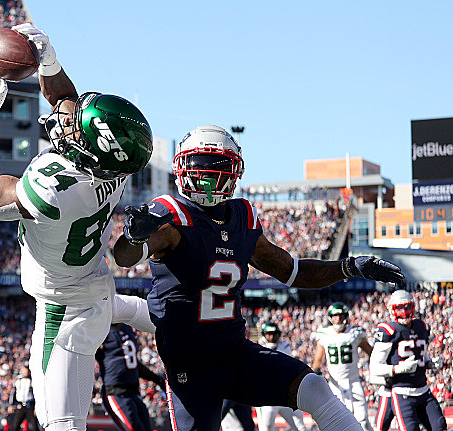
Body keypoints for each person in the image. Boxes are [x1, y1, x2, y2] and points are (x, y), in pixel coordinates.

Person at [113, 125, 406, 431]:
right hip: (190, 367)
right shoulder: (171, 214)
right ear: (183, 167)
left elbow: (293, 271)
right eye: (202, 164)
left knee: (315, 388)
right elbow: (124, 256)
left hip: (235, 353)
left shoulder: (244, 216)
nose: (210, 174)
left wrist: (348, 267)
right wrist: (133, 237)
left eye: (219, 165)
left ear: (234, 170)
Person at [0, 23, 154, 431]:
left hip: (65, 310)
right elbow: (66, 101)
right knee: (171, 316)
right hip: (99, 290)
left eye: (80, 129)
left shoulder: (54, 187)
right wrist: (50, 61)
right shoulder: (120, 167)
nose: (70, 122)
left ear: (92, 151)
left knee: (60, 424)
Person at [369, 290, 446, 431]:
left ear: (413, 307)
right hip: (400, 390)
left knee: (440, 426)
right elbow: (374, 368)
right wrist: (398, 369)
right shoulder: (388, 330)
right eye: (399, 308)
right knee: (383, 427)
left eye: (407, 307)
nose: (404, 311)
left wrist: (430, 362)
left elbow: (420, 355)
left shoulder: (422, 327)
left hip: (423, 389)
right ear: (392, 309)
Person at [311, 302, 373, 431]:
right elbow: (318, 359)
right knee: (337, 421)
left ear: (346, 316)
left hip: (354, 380)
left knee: (363, 420)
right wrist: (314, 373)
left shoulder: (355, 332)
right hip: (335, 383)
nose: (338, 318)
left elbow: (371, 352)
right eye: (335, 315)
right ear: (330, 317)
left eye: (341, 315)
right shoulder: (324, 334)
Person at [96, 323, 166, 431]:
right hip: (115, 392)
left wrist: (158, 380)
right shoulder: (102, 329)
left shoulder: (127, 328)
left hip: (133, 392)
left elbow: (133, 364)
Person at [256, 323, 307, 431]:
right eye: (269, 334)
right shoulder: (257, 348)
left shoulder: (285, 347)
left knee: (300, 427)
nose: (272, 337)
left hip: (284, 396)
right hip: (267, 398)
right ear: (264, 335)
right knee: (267, 428)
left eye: (274, 334)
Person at [8, 367, 37, 431]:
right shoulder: (17, 381)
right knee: (15, 426)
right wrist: (11, 405)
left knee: (34, 426)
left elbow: (35, 395)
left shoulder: (31, 381)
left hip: (30, 406)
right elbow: (13, 393)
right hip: (20, 406)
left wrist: (36, 407)